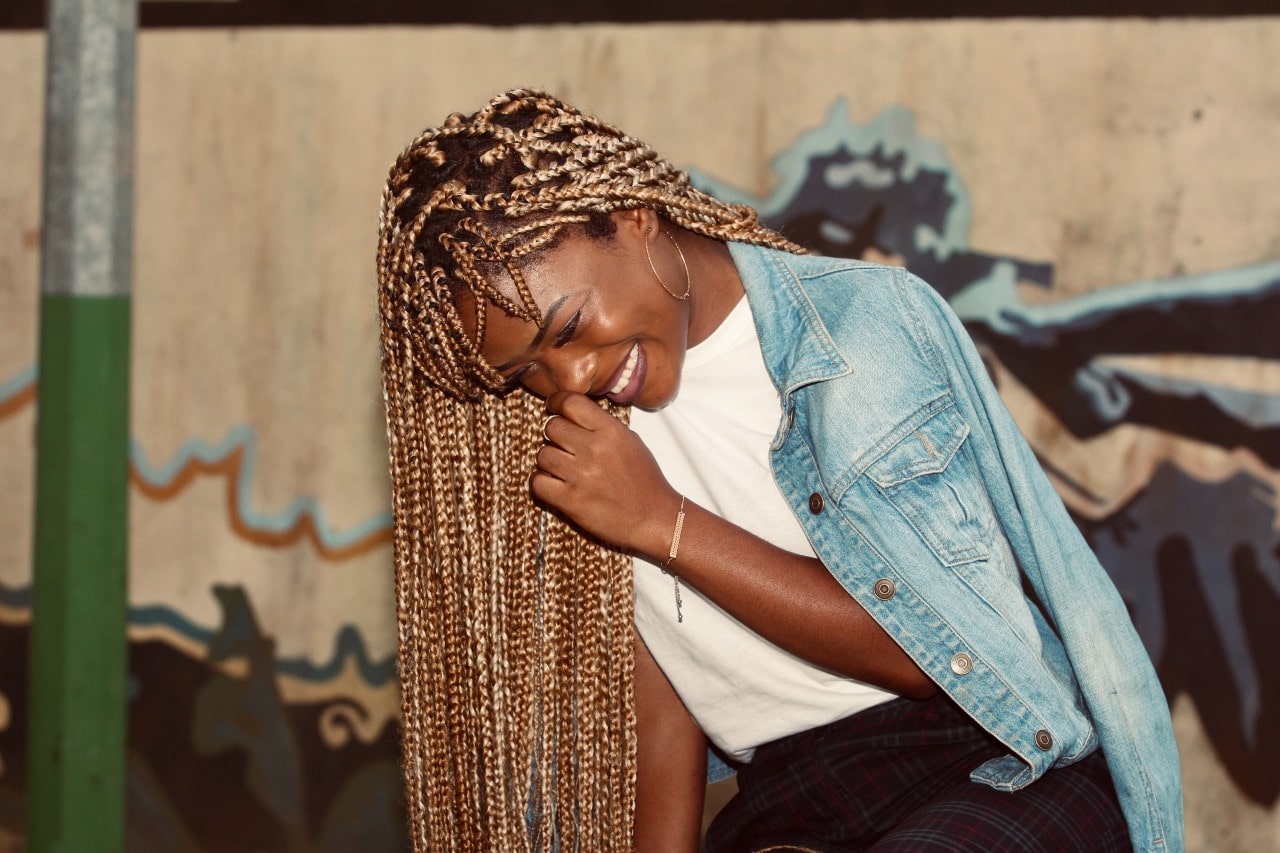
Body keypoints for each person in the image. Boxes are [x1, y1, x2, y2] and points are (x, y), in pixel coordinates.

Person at [375, 88, 1183, 853]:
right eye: (529, 373)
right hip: (791, 797)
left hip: (990, 758)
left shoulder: (859, 331)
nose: (571, 379)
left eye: (572, 326)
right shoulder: (585, 444)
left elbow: (932, 651)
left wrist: (665, 524)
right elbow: (662, 705)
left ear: (635, 219)